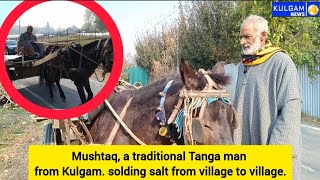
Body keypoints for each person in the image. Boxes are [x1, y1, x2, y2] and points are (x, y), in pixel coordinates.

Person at [233, 15, 302, 179]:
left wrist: (272, 158)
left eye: (247, 36)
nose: (242, 41)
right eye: (241, 37)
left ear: (263, 36)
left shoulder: (282, 63)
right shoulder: (244, 65)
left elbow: (290, 115)